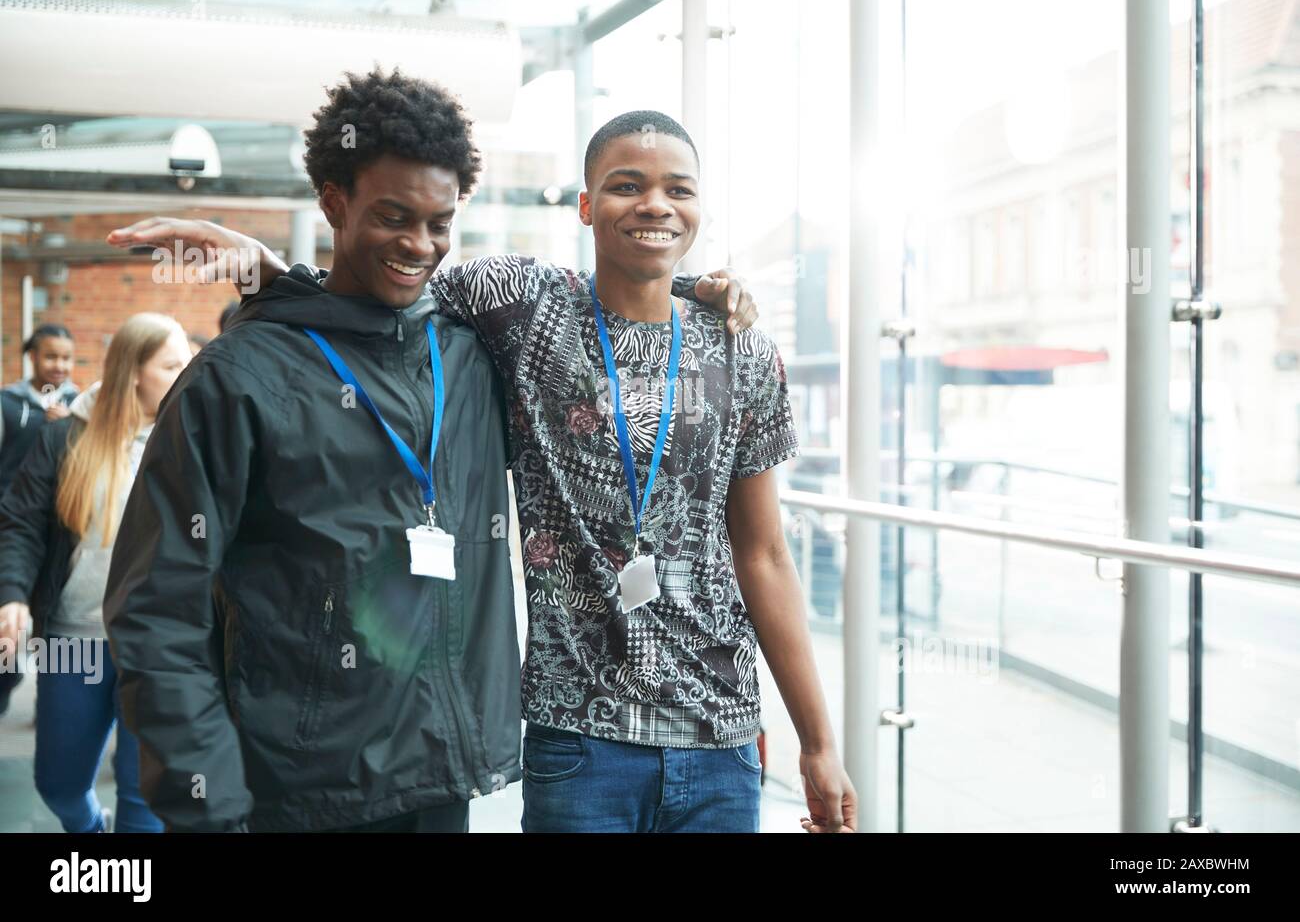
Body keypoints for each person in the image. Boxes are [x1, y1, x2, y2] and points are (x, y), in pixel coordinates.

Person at [116, 106, 853, 833]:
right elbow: (369, 297)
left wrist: (818, 744)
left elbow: (763, 550)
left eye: (439, 223)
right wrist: (257, 265)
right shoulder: (511, 313)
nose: (420, 243)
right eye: (628, 187)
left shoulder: (718, 350)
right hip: (482, 757)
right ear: (587, 205)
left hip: (592, 755)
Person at [0, 313, 189, 832]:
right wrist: (13, 595)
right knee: (58, 784)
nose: (188, 373)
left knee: (142, 793)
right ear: (134, 373)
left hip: (159, 644)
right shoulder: (62, 439)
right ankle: (89, 831)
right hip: (74, 641)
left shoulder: (192, 439)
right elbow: (20, 523)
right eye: (173, 365)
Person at [0, 323, 79, 717]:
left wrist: (69, 425)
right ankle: (6, 681)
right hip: (12, 526)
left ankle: (51, 702)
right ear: (32, 356)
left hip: (57, 532)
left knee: (47, 622)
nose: (59, 366)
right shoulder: (8, 405)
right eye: (51, 356)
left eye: (66, 358)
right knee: (9, 617)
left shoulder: (81, 407)